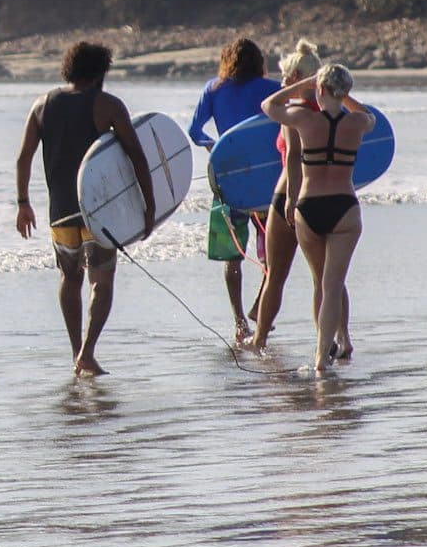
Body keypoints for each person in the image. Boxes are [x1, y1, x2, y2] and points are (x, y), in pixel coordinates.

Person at [15, 41, 156, 377]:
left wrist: (23, 203)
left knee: (69, 277)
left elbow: (23, 158)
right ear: (100, 71)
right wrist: (149, 206)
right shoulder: (108, 105)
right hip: (100, 210)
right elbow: (136, 155)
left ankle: (76, 352)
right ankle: (87, 353)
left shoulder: (42, 105)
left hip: (60, 211)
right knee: (101, 280)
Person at [260, 64, 374, 375]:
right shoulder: (357, 123)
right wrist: (343, 95)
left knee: (319, 282)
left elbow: (269, 105)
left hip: (308, 207)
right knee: (333, 285)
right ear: (345, 91)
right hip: (344, 208)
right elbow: (370, 116)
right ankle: (322, 357)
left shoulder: (304, 119)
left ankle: (322, 355)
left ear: (319, 90)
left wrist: (305, 84)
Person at [247, 40, 341, 352]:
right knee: (327, 279)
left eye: (286, 75)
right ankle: (337, 340)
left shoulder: (294, 111)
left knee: (276, 276)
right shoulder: (329, 113)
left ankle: (259, 339)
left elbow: (292, 156)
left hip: (289, 197)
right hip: (323, 197)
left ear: (298, 77)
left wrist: (290, 199)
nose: (282, 81)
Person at [189, 38, 281, 340]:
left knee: (233, 255)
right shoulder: (273, 89)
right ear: (259, 62)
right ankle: (259, 306)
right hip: (267, 181)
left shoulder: (213, 89)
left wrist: (216, 147)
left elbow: (194, 131)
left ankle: (240, 321)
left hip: (229, 178)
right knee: (273, 251)